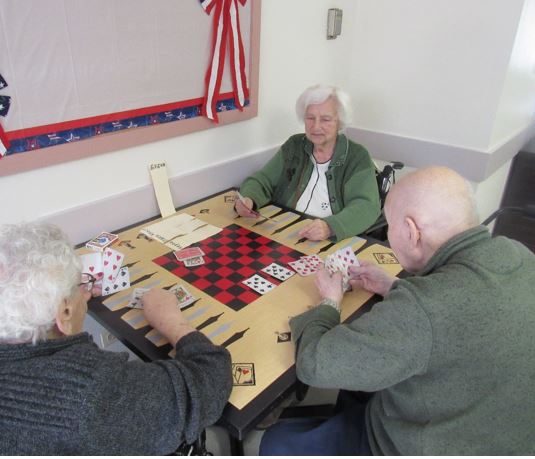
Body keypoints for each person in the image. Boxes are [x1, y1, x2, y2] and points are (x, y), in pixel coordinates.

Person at [259, 166, 535, 455]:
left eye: (389, 225)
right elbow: (458, 312)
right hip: (509, 433)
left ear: (412, 232)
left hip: (422, 444)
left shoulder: (421, 308)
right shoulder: (518, 252)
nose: (389, 237)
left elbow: (314, 364)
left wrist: (329, 300)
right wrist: (393, 286)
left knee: (277, 441)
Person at [0, 222, 233, 455]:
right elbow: (211, 381)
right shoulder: (87, 394)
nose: (85, 292)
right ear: (65, 313)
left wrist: (74, 299)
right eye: (78, 286)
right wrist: (173, 322)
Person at [236, 84, 380, 242]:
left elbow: (366, 206)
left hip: (329, 240)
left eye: (325, 119)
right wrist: (249, 199)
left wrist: (330, 227)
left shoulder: (357, 156)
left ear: (340, 122)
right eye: (310, 118)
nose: (316, 126)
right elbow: (263, 180)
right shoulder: (294, 145)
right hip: (285, 233)